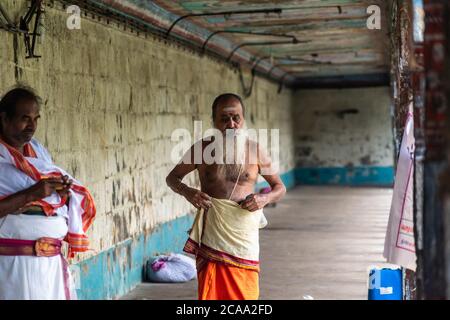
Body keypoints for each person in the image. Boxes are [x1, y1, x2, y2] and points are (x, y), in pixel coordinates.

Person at [166, 93, 286, 300]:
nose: (231, 124)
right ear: (214, 121)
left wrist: (263, 199)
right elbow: (172, 178)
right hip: (214, 234)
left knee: (245, 296)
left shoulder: (256, 150)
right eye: (224, 118)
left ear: (243, 119)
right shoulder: (201, 149)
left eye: (235, 117)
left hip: (244, 237)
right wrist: (188, 192)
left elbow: (279, 188)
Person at [0, 86, 96, 300]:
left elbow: (51, 197)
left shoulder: (38, 151)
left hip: (49, 265)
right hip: (10, 267)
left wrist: (63, 193)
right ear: (4, 119)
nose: (31, 126)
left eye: (36, 119)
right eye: (25, 118)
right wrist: (31, 195)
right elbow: (32, 193)